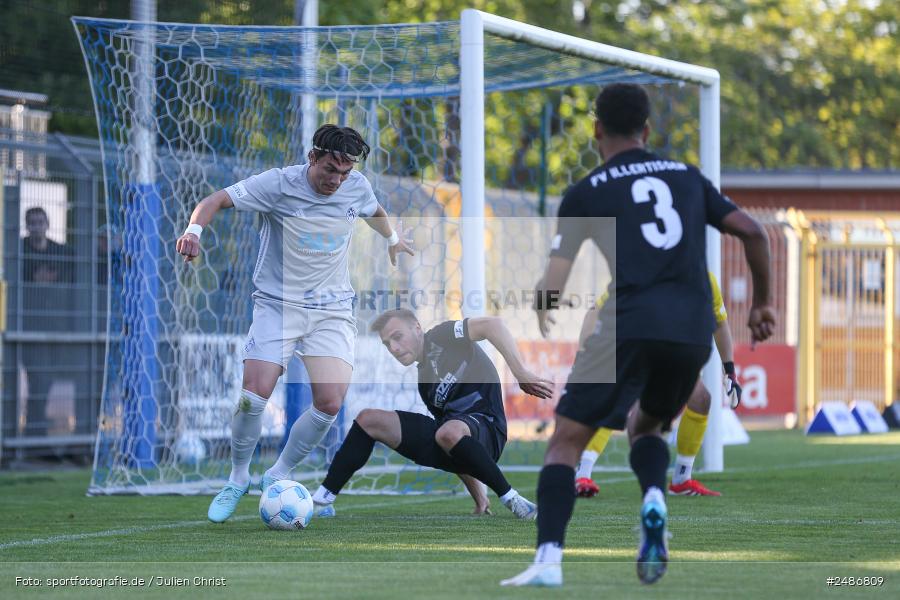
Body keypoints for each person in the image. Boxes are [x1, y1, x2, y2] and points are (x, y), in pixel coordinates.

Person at [501, 83, 774, 587]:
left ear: (596, 129)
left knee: (564, 442)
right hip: (693, 326)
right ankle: (653, 498)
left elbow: (556, 279)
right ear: (647, 130)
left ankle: (547, 562)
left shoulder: (588, 191)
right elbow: (755, 233)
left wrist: (543, 306)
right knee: (647, 427)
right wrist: (761, 304)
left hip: (629, 320)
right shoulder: (687, 177)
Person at [175, 125, 414, 523]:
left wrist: (391, 239)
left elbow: (374, 211)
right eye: (330, 170)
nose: (337, 180)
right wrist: (193, 231)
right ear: (313, 158)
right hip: (277, 303)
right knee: (254, 395)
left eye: (345, 171)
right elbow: (213, 200)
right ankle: (237, 478)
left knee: (330, 402)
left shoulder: (355, 185)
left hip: (332, 308)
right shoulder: (277, 184)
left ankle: (278, 474)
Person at [310, 308, 554, 519]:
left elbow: (493, 325)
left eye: (397, 337)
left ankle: (513, 500)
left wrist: (520, 372)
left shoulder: (444, 336)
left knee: (448, 431)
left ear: (417, 328)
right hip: (456, 436)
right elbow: (454, 448)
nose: (393, 348)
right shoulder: (425, 384)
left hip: (489, 430)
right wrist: (480, 498)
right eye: (387, 344)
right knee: (368, 419)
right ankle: (322, 500)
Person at [574, 271, 742, 499]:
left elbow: (720, 324)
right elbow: (596, 311)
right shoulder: (643, 269)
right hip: (631, 345)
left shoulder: (705, 278)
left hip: (672, 352)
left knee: (701, 399)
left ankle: (682, 479)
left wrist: (729, 371)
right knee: (618, 402)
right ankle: (581, 475)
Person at [22, 206, 73, 283]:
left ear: (48, 224)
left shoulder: (61, 251)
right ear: (26, 226)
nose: (37, 227)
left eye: (41, 222)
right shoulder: (19, 249)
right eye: (32, 223)